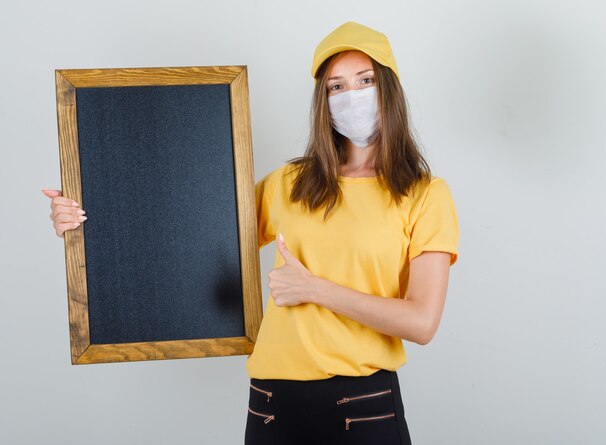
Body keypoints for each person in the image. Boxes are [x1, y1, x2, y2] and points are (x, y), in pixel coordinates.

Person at [43, 21, 459, 445]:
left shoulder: (425, 195)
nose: (351, 97)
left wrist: (315, 289)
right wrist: (82, 219)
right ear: (323, 101)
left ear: (388, 87)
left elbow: (422, 322)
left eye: (365, 80)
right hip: (271, 408)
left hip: (364, 409)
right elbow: (184, 231)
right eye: (336, 87)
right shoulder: (290, 183)